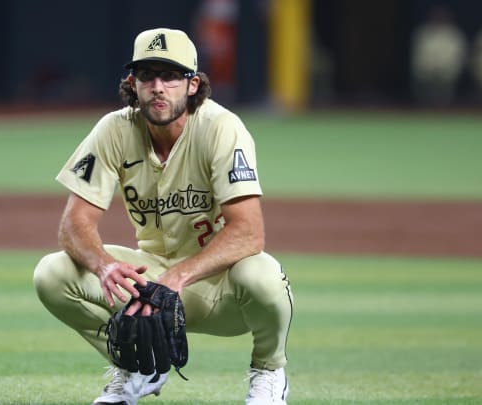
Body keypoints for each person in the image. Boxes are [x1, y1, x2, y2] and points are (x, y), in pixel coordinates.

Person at [33, 28, 293, 405]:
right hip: (150, 284)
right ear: (132, 83)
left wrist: (178, 277)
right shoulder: (114, 130)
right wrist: (105, 265)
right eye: (147, 75)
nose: (158, 86)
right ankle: (139, 364)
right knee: (52, 273)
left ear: (193, 84)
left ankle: (269, 373)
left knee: (263, 274)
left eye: (170, 75)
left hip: (220, 290)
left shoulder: (221, 128)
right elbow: (74, 226)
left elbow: (249, 233)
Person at [410, 5, 467, 106]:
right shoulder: (423, 33)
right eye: (436, 16)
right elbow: (419, 57)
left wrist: (443, 69)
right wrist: (429, 68)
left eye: (442, 16)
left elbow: (457, 58)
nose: (439, 19)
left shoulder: (454, 35)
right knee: (425, 91)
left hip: (446, 73)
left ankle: (444, 108)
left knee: (443, 88)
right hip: (426, 72)